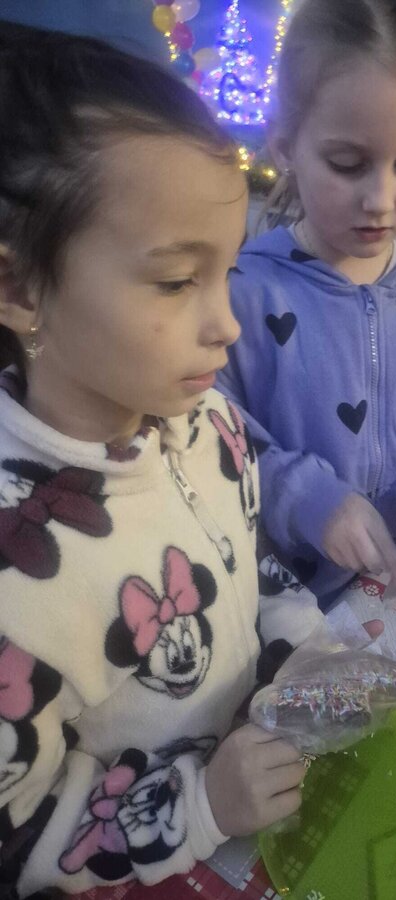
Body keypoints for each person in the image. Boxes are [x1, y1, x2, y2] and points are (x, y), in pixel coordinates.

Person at [0, 26, 324, 896]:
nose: (228, 324)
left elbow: (244, 558)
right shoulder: (17, 582)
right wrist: (199, 804)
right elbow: (17, 832)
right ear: (20, 287)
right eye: (179, 280)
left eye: (227, 273)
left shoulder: (205, 417)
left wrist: (300, 650)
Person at [217, 0, 396, 609]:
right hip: (272, 606)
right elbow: (215, 449)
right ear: (285, 145)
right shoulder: (240, 292)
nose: (382, 199)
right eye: (347, 164)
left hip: (389, 600)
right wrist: (311, 499)